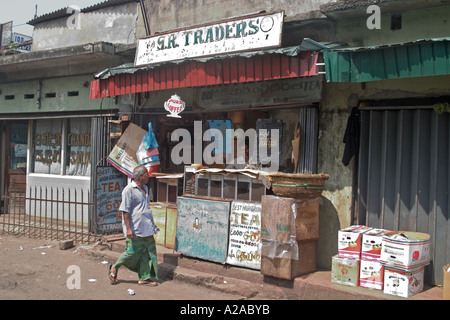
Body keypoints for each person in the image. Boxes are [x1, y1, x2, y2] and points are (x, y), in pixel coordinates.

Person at [108, 165, 160, 286]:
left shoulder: (146, 189)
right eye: (146, 173)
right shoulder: (128, 190)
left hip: (146, 227)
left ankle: (144, 278)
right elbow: (125, 211)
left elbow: (144, 208)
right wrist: (129, 229)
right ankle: (115, 267)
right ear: (141, 176)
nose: (148, 176)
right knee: (131, 252)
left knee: (148, 252)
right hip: (135, 228)